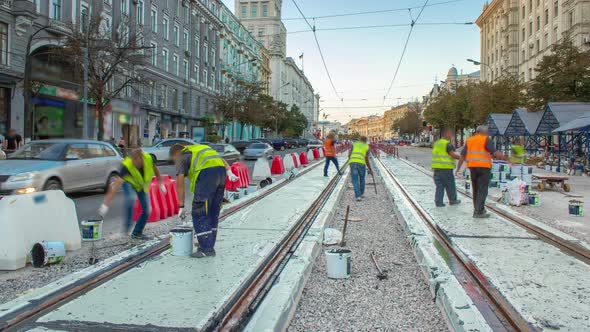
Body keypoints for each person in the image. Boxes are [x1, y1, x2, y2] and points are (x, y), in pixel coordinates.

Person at [170, 143, 239, 258]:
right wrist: (229, 172)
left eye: (173, 159)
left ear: (176, 153)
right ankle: (209, 244)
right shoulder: (200, 149)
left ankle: (206, 249)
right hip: (221, 173)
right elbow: (221, 159)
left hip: (207, 176)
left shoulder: (182, 157)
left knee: (200, 212)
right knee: (212, 211)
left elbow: (180, 184)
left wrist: (181, 206)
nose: (174, 162)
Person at [99, 149, 165, 239]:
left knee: (147, 210)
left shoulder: (149, 159)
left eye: (137, 161)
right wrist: (105, 205)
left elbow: (156, 171)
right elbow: (115, 186)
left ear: (142, 158)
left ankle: (137, 233)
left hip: (142, 185)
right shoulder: (126, 165)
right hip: (129, 183)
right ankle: (126, 229)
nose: (135, 163)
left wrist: (161, 184)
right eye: (133, 160)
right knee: (130, 199)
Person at [456, 126, 509, 218]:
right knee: (483, 189)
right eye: (486, 132)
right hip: (484, 168)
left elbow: (462, 155)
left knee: (476, 189)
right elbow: (495, 152)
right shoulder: (486, 140)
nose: (487, 133)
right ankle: (478, 211)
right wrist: (507, 159)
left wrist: (458, 168)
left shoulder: (469, 140)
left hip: (472, 167)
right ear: (483, 132)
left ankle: (478, 208)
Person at [432, 129, 461, 207]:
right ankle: (453, 200)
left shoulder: (437, 143)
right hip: (446, 169)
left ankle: (438, 202)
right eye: (450, 134)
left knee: (439, 186)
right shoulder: (447, 144)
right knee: (450, 185)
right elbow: (453, 155)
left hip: (437, 169)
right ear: (445, 134)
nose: (450, 135)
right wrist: (462, 158)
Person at [349, 136, 373, 201]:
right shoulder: (366, 147)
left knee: (355, 180)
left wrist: (350, 162)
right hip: (361, 163)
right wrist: (370, 168)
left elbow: (349, 154)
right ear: (366, 140)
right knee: (362, 178)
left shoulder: (354, 144)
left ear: (359, 139)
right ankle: (361, 193)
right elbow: (366, 159)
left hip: (353, 162)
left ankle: (358, 196)